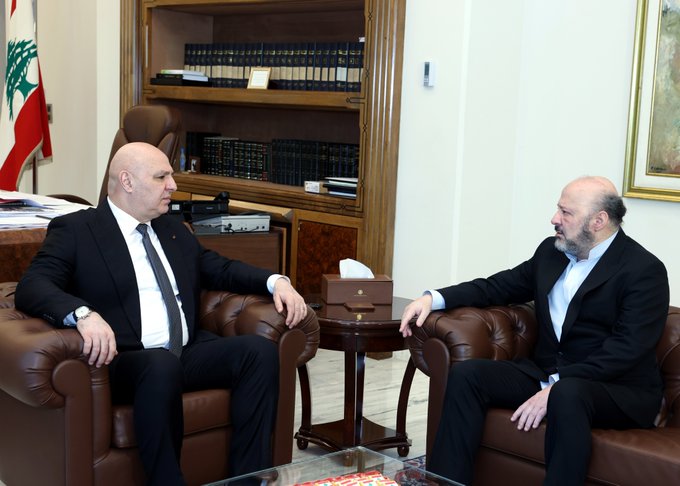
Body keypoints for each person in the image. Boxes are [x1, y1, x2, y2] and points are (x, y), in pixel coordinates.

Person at [15, 142, 309, 486]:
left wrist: (276, 281)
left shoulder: (171, 229)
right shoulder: (78, 230)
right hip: (126, 360)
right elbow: (33, 285)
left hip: (186, 351)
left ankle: (248, 480)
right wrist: (82, 314)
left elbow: (219, 268)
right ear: (127, 181)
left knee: (257, 352)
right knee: (159, 365)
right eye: (161, 177)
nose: (173, 185)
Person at [399, 176, 670, 485]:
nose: (555, 219)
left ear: (598, 221)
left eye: (566, 212)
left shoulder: (643, 270)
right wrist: (433, 298)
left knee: (567, 394)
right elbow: (498, 286)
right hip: (548, 374)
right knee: (468, 375)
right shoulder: (551, 252)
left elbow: (627, 348)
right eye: (558, 209)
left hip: (617, 389)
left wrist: (556, 386)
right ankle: (447, 482)